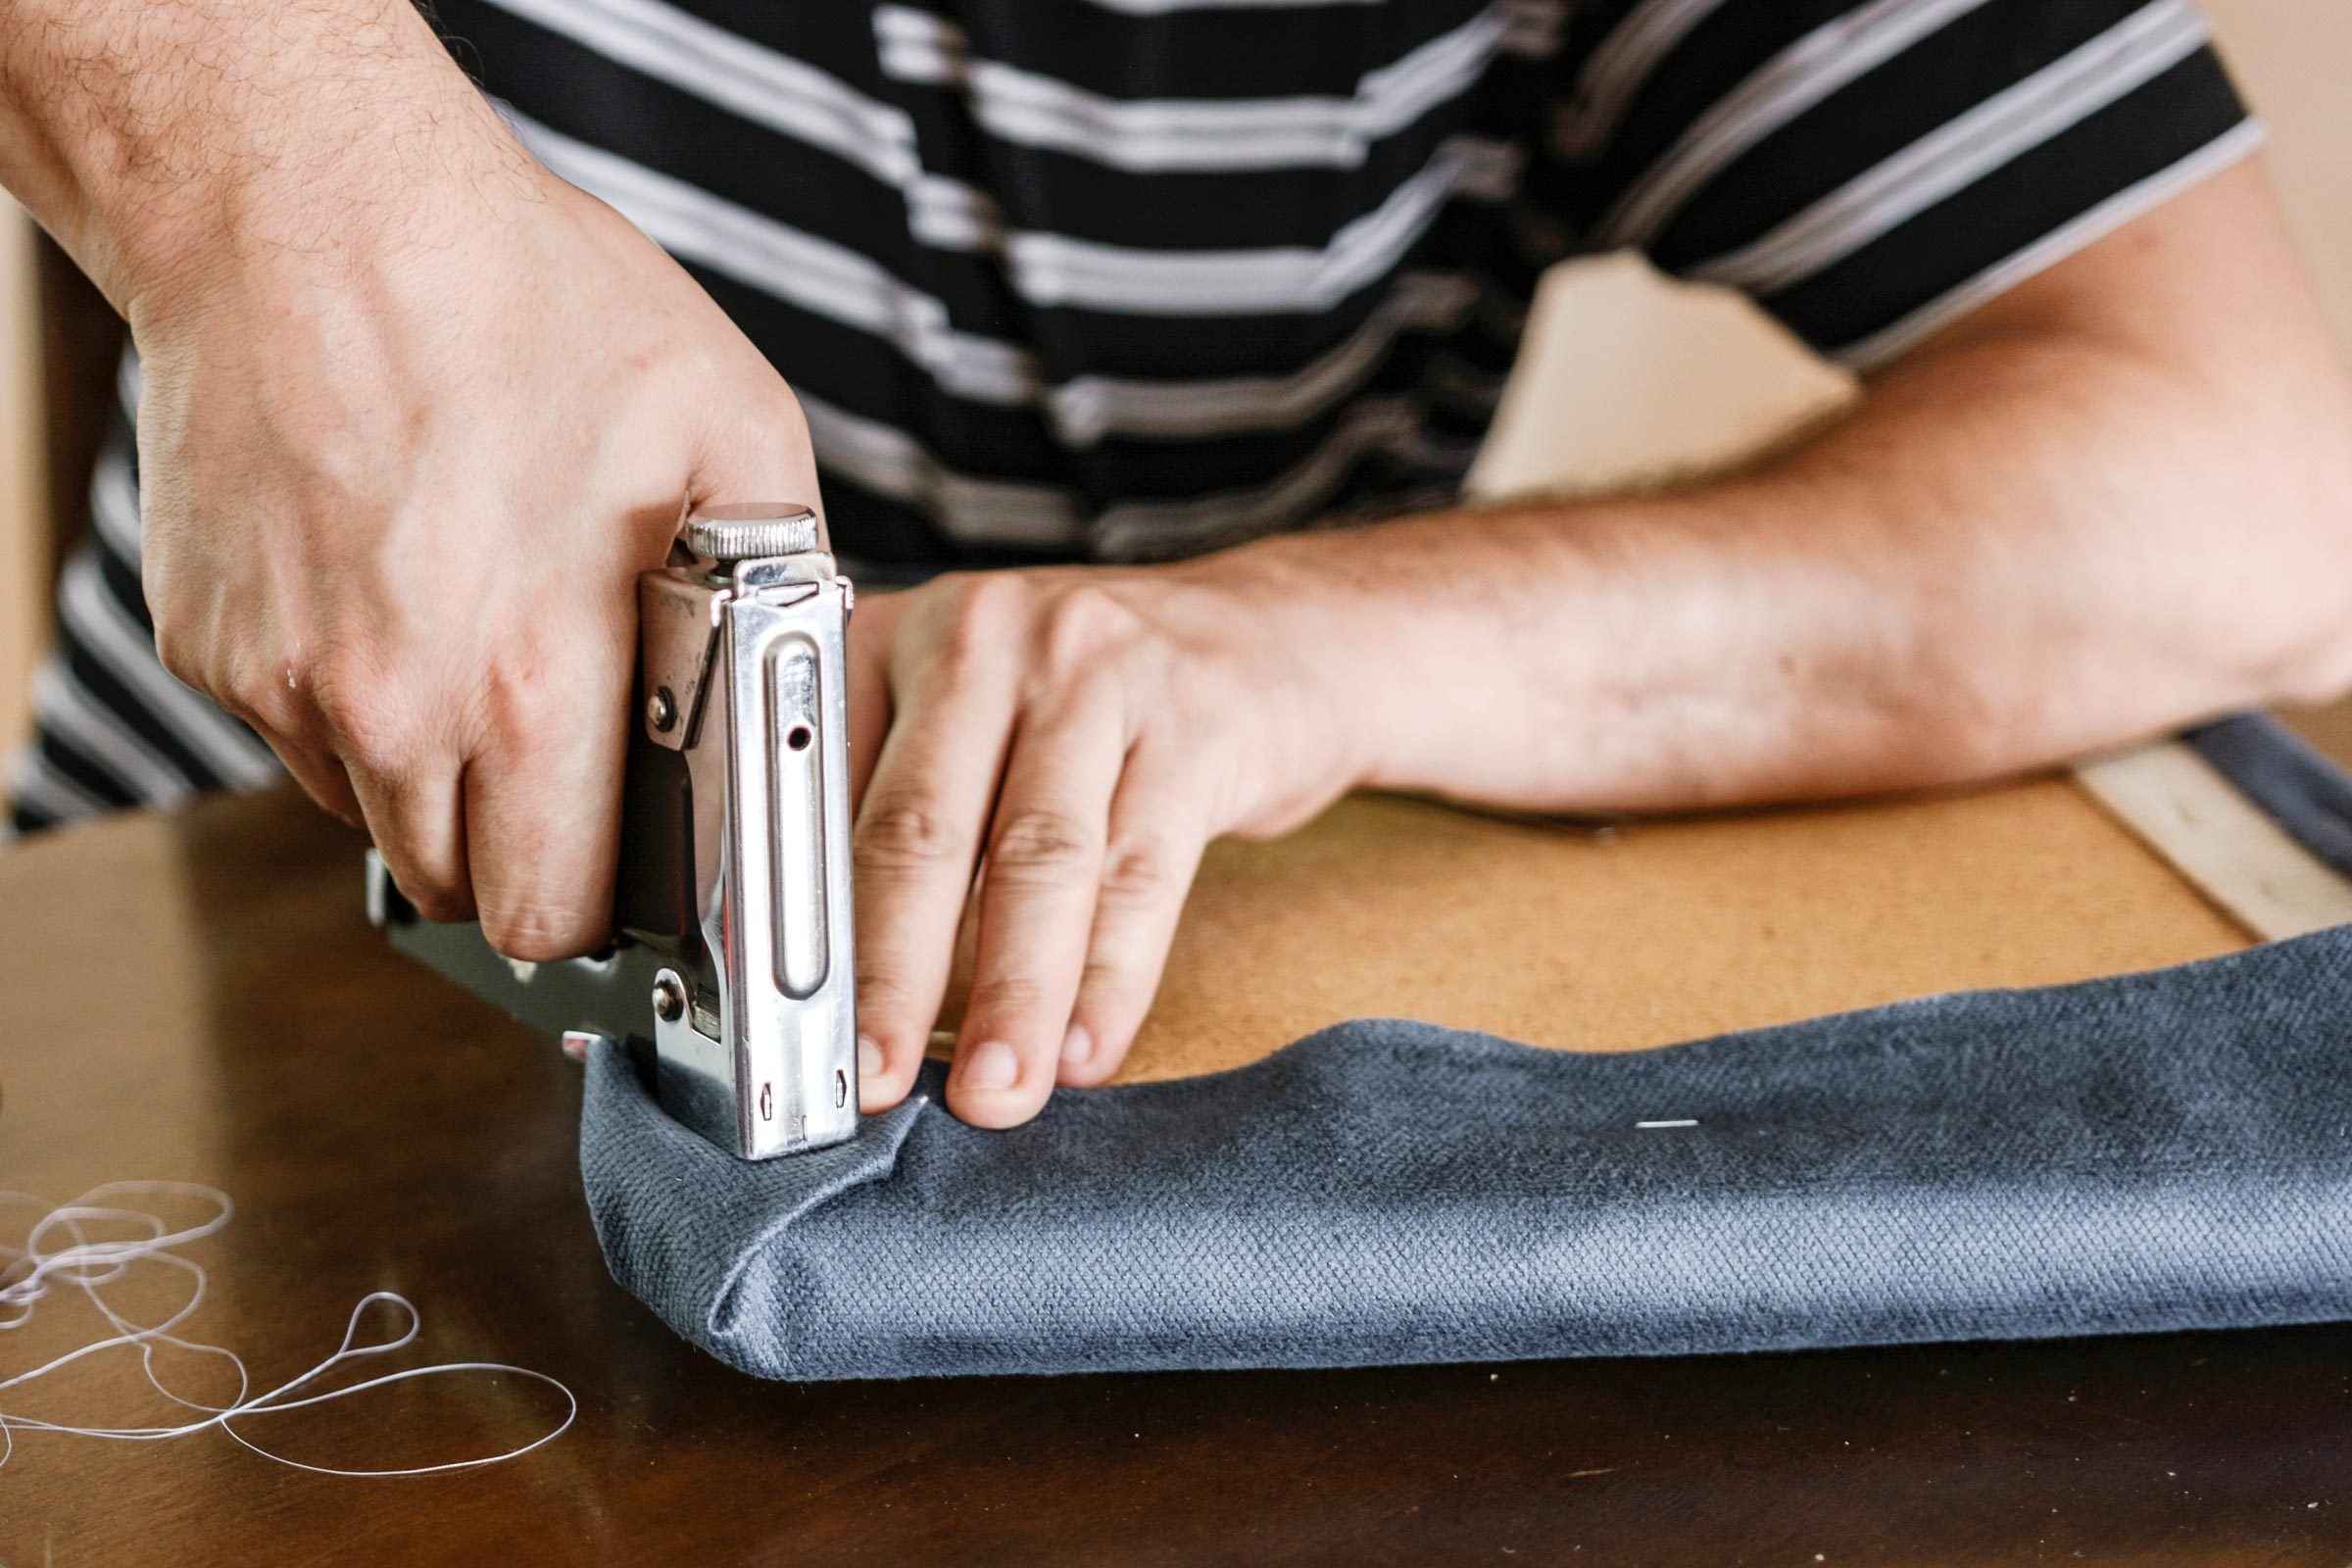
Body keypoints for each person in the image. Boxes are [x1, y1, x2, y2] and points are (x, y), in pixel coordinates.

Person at [4, 0, 2348, 1132]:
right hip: (179, 996)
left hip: (1131, 1080)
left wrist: (1307, 639)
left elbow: (2254, 483)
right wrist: (266, 170)